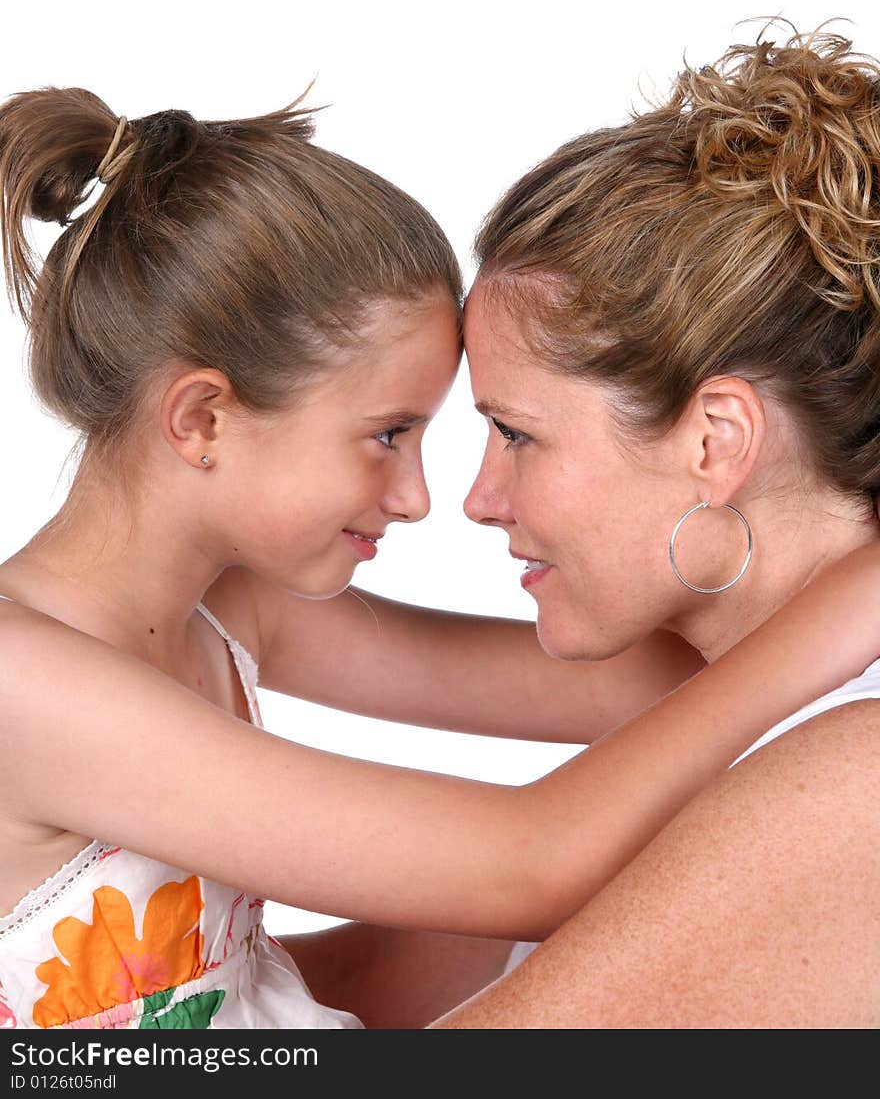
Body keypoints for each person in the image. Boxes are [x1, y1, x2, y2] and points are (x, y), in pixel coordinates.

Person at [0, 79, 875, 1031]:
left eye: (515, 432)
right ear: (202, 418)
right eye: (387, 435)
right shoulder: (25, 682)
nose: (431, 500)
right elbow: (527, 858)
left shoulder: (235, 611)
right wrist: (856, 597)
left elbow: (663, 694)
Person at [428, 23, 880, 1027]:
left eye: (516, 433)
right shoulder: (727, 711)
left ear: (717, 441)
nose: (477, 496)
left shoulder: (856, 772)